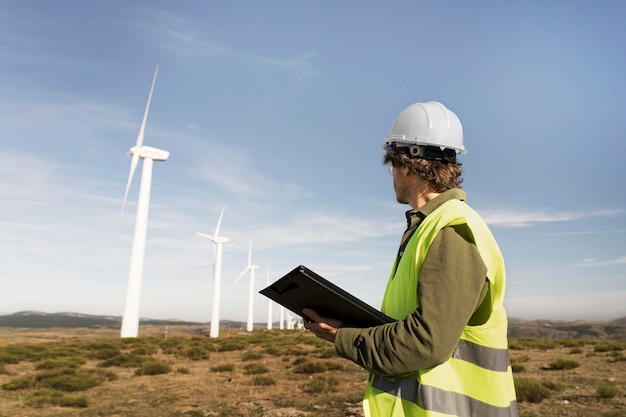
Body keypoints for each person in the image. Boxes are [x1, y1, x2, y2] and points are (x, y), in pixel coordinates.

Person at [303, 101, 518, 417]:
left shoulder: (452, 229)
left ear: (405, 164)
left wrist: (341, 336)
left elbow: (426, 343)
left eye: (391, 165)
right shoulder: (427, 227)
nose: (391, 174)